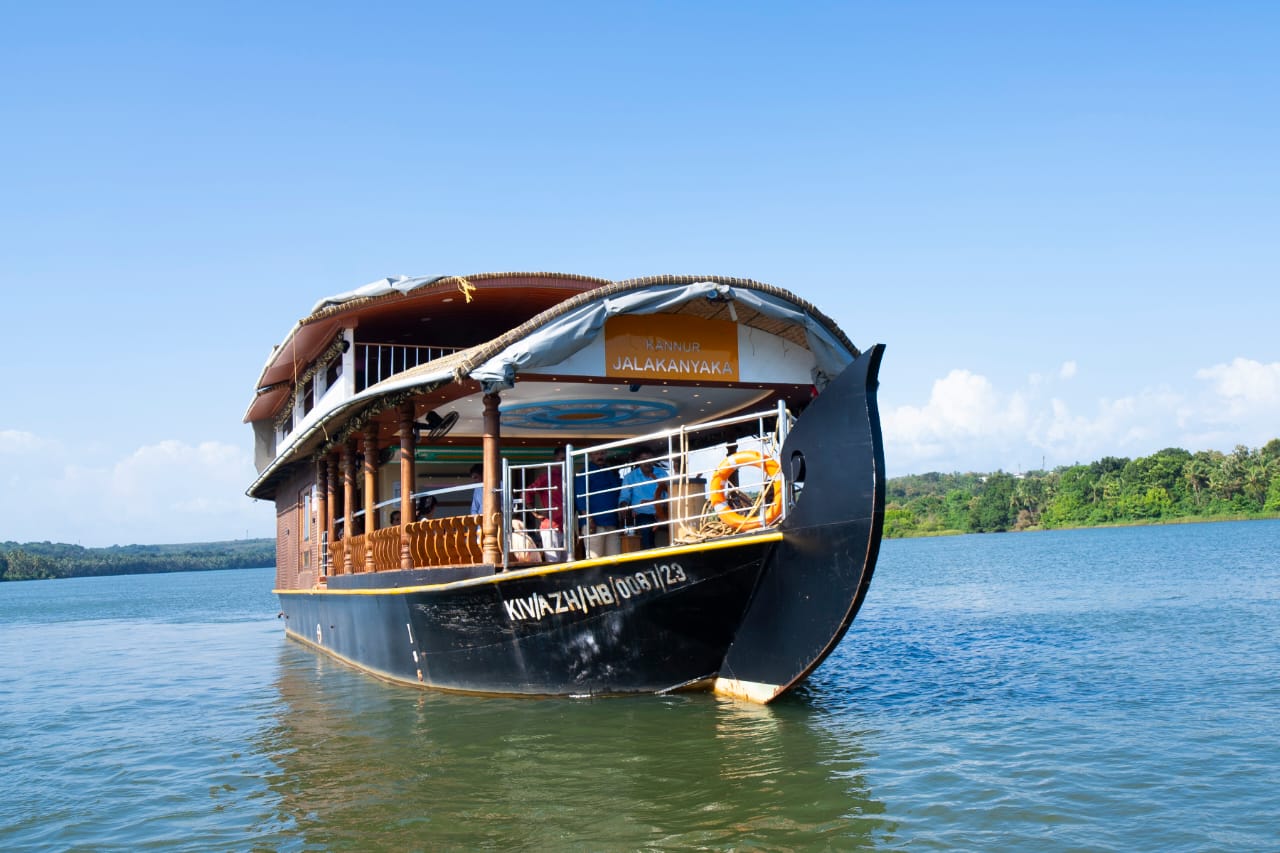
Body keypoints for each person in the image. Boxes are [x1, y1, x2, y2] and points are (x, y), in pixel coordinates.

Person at [576, 447, 622, 559]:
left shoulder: (610, 472)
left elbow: (619, 491)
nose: (599, 456)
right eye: (596, 454)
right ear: (591, 456)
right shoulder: (584, 473)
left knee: (615, 558)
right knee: (594, 558)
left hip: (611, 522)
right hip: (594, 523)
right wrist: (589, 519)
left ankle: (613, 577)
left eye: (602, 453)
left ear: (606, 454)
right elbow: (580, 497)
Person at [619, 449, 669, 549]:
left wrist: (667, 510)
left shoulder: (662, 474)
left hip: (664, 513)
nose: (647, 462)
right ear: (638, 461)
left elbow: (670, 493)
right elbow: (625, 497)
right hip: (642, 515)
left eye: (650, 459)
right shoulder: (630, 477)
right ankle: (650, 557)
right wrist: (624, 506)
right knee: (645, 527)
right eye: (644, 459)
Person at [526, 448, 566, 561]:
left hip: (566, 527)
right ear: (555, 460)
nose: (565, 462)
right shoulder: (547, 476)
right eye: (562, 459)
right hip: (551, 526)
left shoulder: (569, 478)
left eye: (567, 459)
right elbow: (527, 492)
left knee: (568, 564)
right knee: (553, 562)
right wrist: (535, 512)